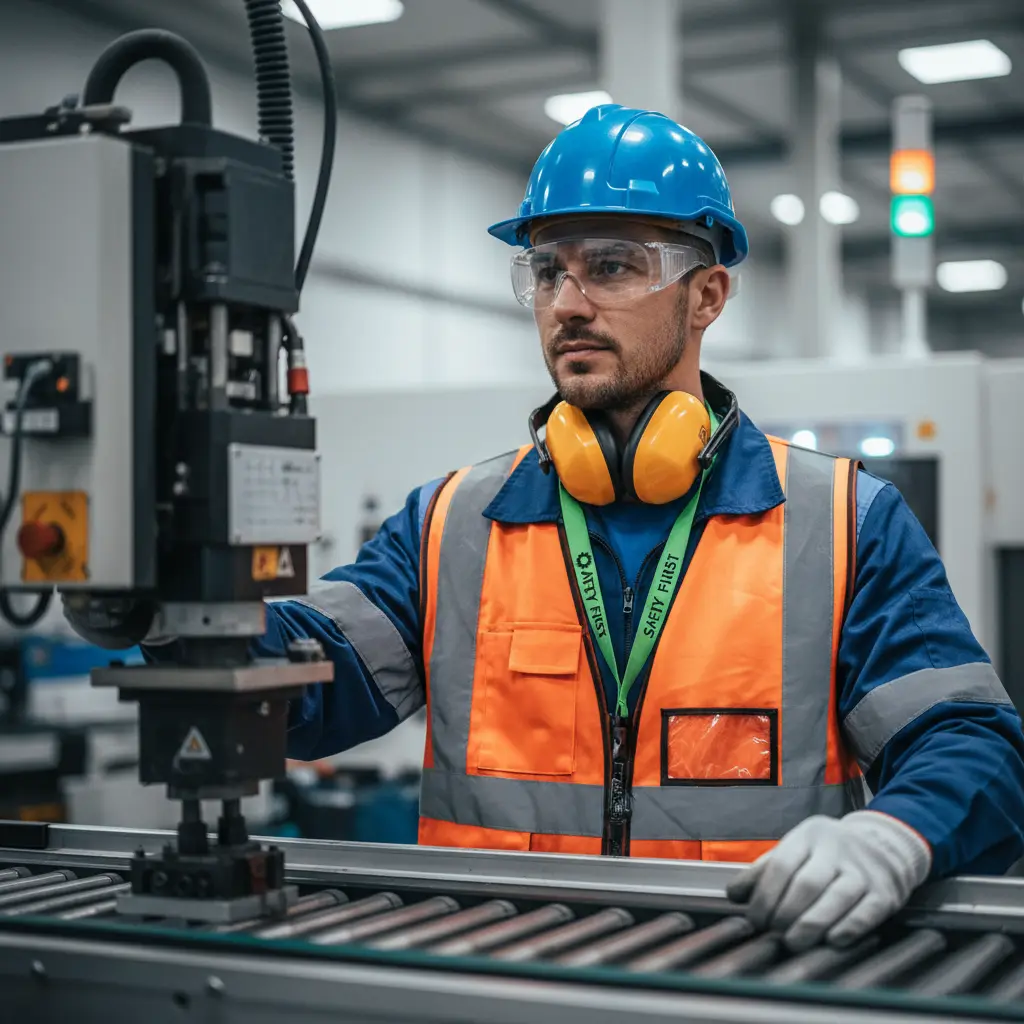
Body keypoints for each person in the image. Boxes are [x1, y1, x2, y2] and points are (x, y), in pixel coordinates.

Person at [65, 104, 1024, 952]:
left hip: (748, 981)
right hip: (500, 982)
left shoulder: (842, 523)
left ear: (708, 295)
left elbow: (971, 741)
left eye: (613, 266)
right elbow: (307, 686)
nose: (568, 304)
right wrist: (149, 586)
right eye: (547, 270)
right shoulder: (453, 525)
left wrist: (895, 835)